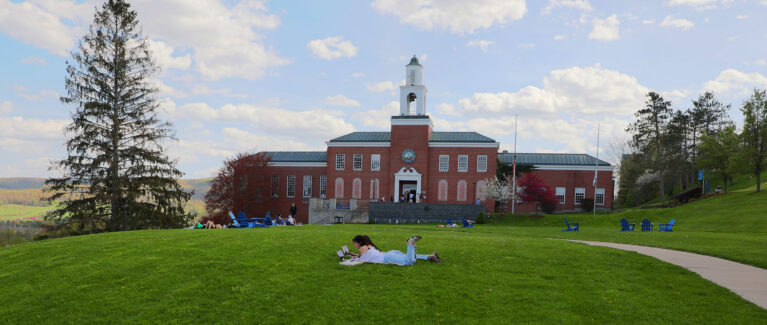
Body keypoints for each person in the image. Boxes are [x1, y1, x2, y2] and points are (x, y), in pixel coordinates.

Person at [350, 235, 441, 265]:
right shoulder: (368, 246)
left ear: (359, 242)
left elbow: (361, 259)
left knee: (409, 262)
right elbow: (363, 255)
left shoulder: (362, 248)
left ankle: (410, 244)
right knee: (409, 258)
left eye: (354, 243)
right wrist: (353, 254)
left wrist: (354, 258)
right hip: (390, 253)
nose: (354, 245)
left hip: (387, 257)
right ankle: (430, 256)